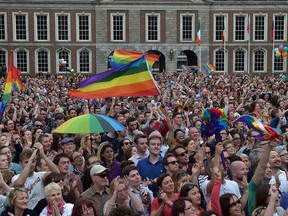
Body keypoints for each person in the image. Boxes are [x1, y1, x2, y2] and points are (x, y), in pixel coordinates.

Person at [12, 143, 60, 209]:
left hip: (41, 210)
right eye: (26, 162)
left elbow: (56, 173)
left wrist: (43, 155)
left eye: (33, 162)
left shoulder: (40, 175)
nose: (31, 164)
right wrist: (31, 159)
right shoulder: (16, 177)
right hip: (26, 211)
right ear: (20, 164)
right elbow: (19, 183)